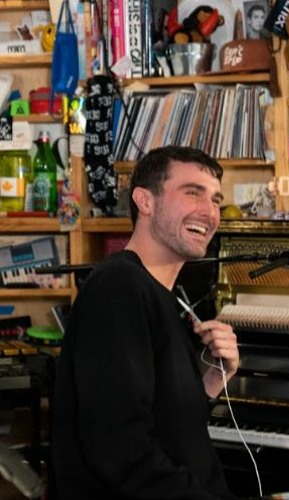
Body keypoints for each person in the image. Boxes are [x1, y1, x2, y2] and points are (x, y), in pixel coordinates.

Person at [52, 146, 240, 500]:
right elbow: (120, 451)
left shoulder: (158, 293)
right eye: (192, 193)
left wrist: (215, 379)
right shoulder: (119, 288)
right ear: (145, 201)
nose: (210, 211)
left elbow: (167, 427)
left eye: (216, 200)